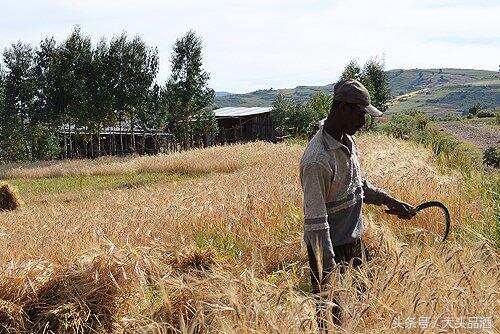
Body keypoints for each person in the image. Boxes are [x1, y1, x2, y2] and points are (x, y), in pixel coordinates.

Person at [299, 79, 416, 330]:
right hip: (328, 251)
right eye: (361, 114)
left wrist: (391, 202)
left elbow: (358, 186)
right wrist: (329, 274)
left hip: (353, 243)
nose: (364, 122)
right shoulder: (316, 161)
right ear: (342, 109)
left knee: (362, 307)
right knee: (333, 320)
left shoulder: (347, 142)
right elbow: (317, 227)